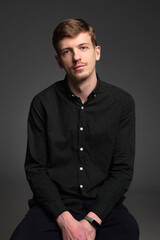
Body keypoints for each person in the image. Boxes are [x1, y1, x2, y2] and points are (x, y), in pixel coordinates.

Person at [10, 18, 139, 240]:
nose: (76, 57)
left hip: (103, 208)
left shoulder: (122, 103)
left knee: (128, 232)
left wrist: (91, 220)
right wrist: (65, 220)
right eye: (67, 51)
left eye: (83, 47)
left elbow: (122, 171)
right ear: (59, 61)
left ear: (96, 52)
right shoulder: (42, 103)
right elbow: (36, 169)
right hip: (54, 207)